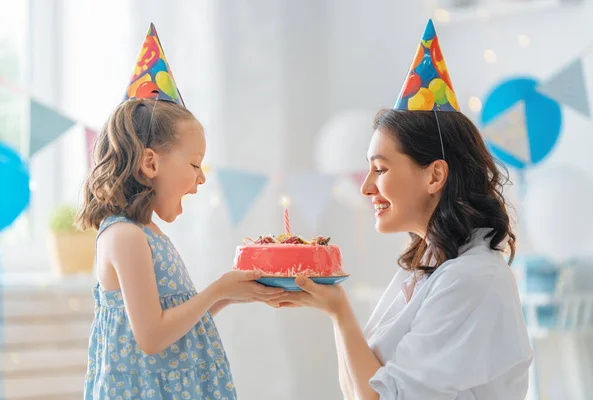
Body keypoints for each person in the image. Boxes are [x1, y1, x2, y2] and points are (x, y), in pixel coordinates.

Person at [275, 20, 533, 399]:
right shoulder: (426, 269)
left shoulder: (473, 279)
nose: (365, 187)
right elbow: (362, 390)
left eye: (379, 169)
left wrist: (340, 311)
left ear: (435, 176)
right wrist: (335, 312)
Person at [76, 23, 286, 399]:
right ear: (150, 163)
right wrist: (217, 288)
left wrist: (230, 295)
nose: (201, 179)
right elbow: (152, 337)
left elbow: (173, 322)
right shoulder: (124, 236)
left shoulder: (148, 233)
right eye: (194, 164)